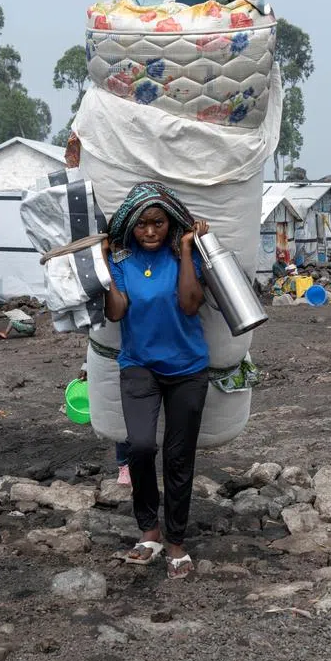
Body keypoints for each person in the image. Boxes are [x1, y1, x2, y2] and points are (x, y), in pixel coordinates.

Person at [103, 182, 209, 581]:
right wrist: (104, 269)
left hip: (188, 369)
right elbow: (115, 313)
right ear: (132, 226)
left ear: (170, 224)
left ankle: (176, 542)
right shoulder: (123, 261)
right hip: (139, 366)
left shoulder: (189, 256)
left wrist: (184, 250)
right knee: (142, 446)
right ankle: (150, 531)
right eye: (143, 224)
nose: (150, 231)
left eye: (158, 223)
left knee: (179, 457)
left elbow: (189, 304)